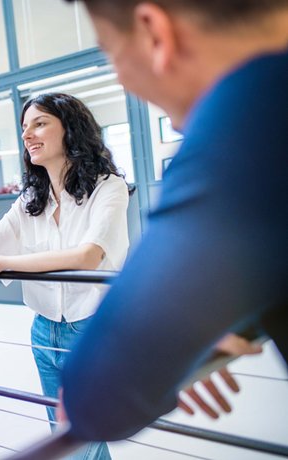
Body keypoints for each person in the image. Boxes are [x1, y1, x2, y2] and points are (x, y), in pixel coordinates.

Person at [57, 0, 288, 443]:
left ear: (155, 32)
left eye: (110, 52)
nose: (121, 76)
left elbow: (93, 399)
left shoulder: (251, 118)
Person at [0, 93, 130, 460]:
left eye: (40, 123)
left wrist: (1, 262)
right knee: (67, 436)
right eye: (24, 127)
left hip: (93, 327)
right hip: (44, 330)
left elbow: (87, 256)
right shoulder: (31, 198)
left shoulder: (108, 187)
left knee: (84, 437)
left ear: (71, 129)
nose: (28, 134)